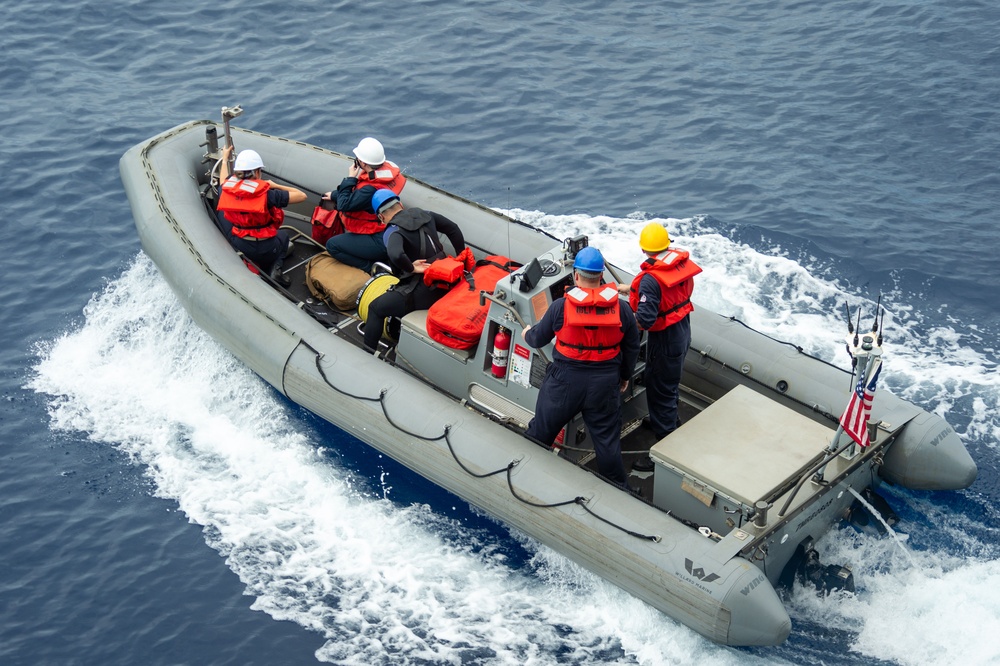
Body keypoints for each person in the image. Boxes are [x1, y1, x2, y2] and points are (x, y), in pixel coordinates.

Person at [522, 247, 640, 488]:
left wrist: (526, 333)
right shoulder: (623, 310)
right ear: (601, 276)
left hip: (564, 382)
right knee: (607, 444)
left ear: (576, 275)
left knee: (540, 434)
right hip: (605, 383)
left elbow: (537, 339)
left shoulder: (559, 307)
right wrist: (624, 376)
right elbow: (632, 347)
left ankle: (523, 477)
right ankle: (619, 490)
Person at [627, 223, 701, 470]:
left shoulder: (651, 280)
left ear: (644, 249)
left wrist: (622, 321)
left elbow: (645, 320)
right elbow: (667, 295)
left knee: (660, 390)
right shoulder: (678, 266)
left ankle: (665, 450)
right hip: (682, 331)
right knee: (669, 385)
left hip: (665, 341)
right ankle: (669, 421)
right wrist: (630, 290)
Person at [362, 190, 466, 353]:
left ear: (381, 217)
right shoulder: (426, 214)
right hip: (448, 281)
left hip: (424, 292)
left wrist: (412, 267)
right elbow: (453, 229)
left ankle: (367, 353)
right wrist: (461, 257)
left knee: (375, 308)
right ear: (400, 204)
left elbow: (396, 254)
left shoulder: (392, 231)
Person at [216, 146, 307, 280]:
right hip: (267, 249)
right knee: (284, 237)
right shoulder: (268, 195)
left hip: (241, 244)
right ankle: (276, 267)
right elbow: (302, 196)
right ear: (257, 172)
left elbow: (222, 181)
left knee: (221, 215)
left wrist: (224, 159)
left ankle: (246, 262)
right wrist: (275, 185)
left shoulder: (226, 189)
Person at [321, 137, 407, 273]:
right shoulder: (383, 176)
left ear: (363, 162)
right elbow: (359, 197)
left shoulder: (370, 189)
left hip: (380, 239)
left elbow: (344, 205)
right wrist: (334, 195)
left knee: (332, 245)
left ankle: (374, 269)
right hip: (392, 231)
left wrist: (350, 178)